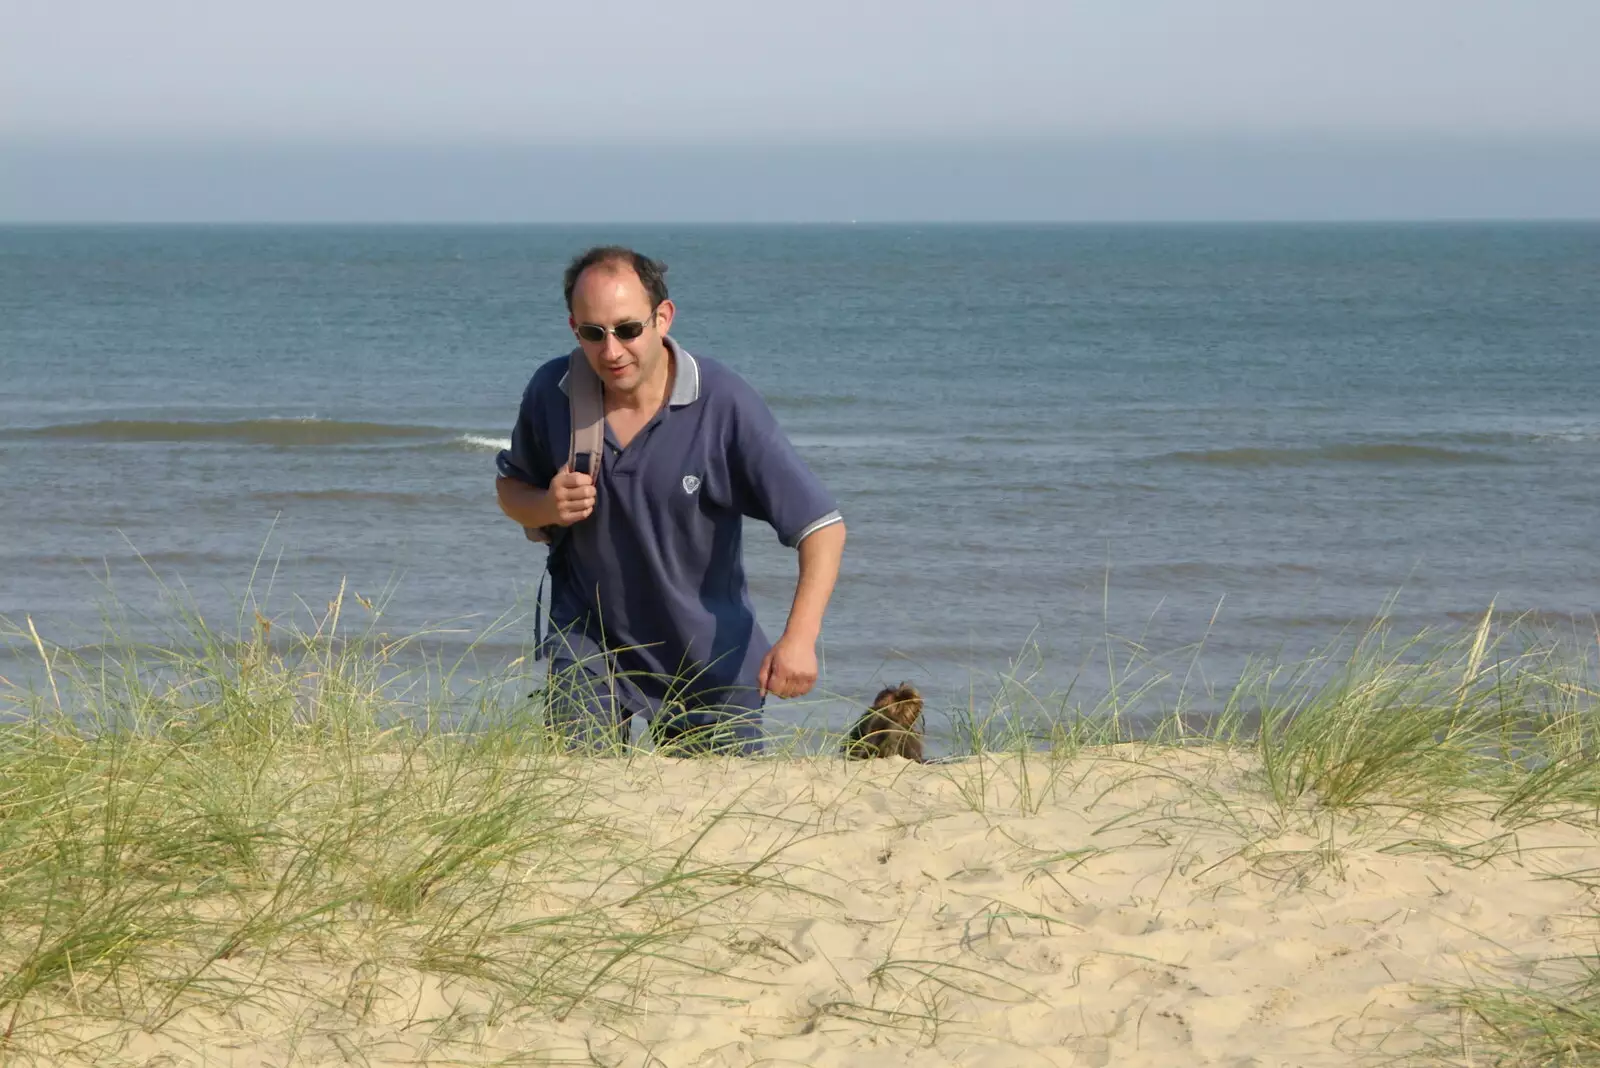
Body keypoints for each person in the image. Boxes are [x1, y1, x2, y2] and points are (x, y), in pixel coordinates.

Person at [494, 246, 846, 756]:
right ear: (574, 328)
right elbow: (512, 489)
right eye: (593, 333)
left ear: (663, 317)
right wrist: (546, 507)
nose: (611, 350)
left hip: (709, 662)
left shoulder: (724, 403)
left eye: (627, 329)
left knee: (715, 826)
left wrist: (799, 641)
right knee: (581, 804)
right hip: (590, 648)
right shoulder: (554, 390)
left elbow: (822, 528)